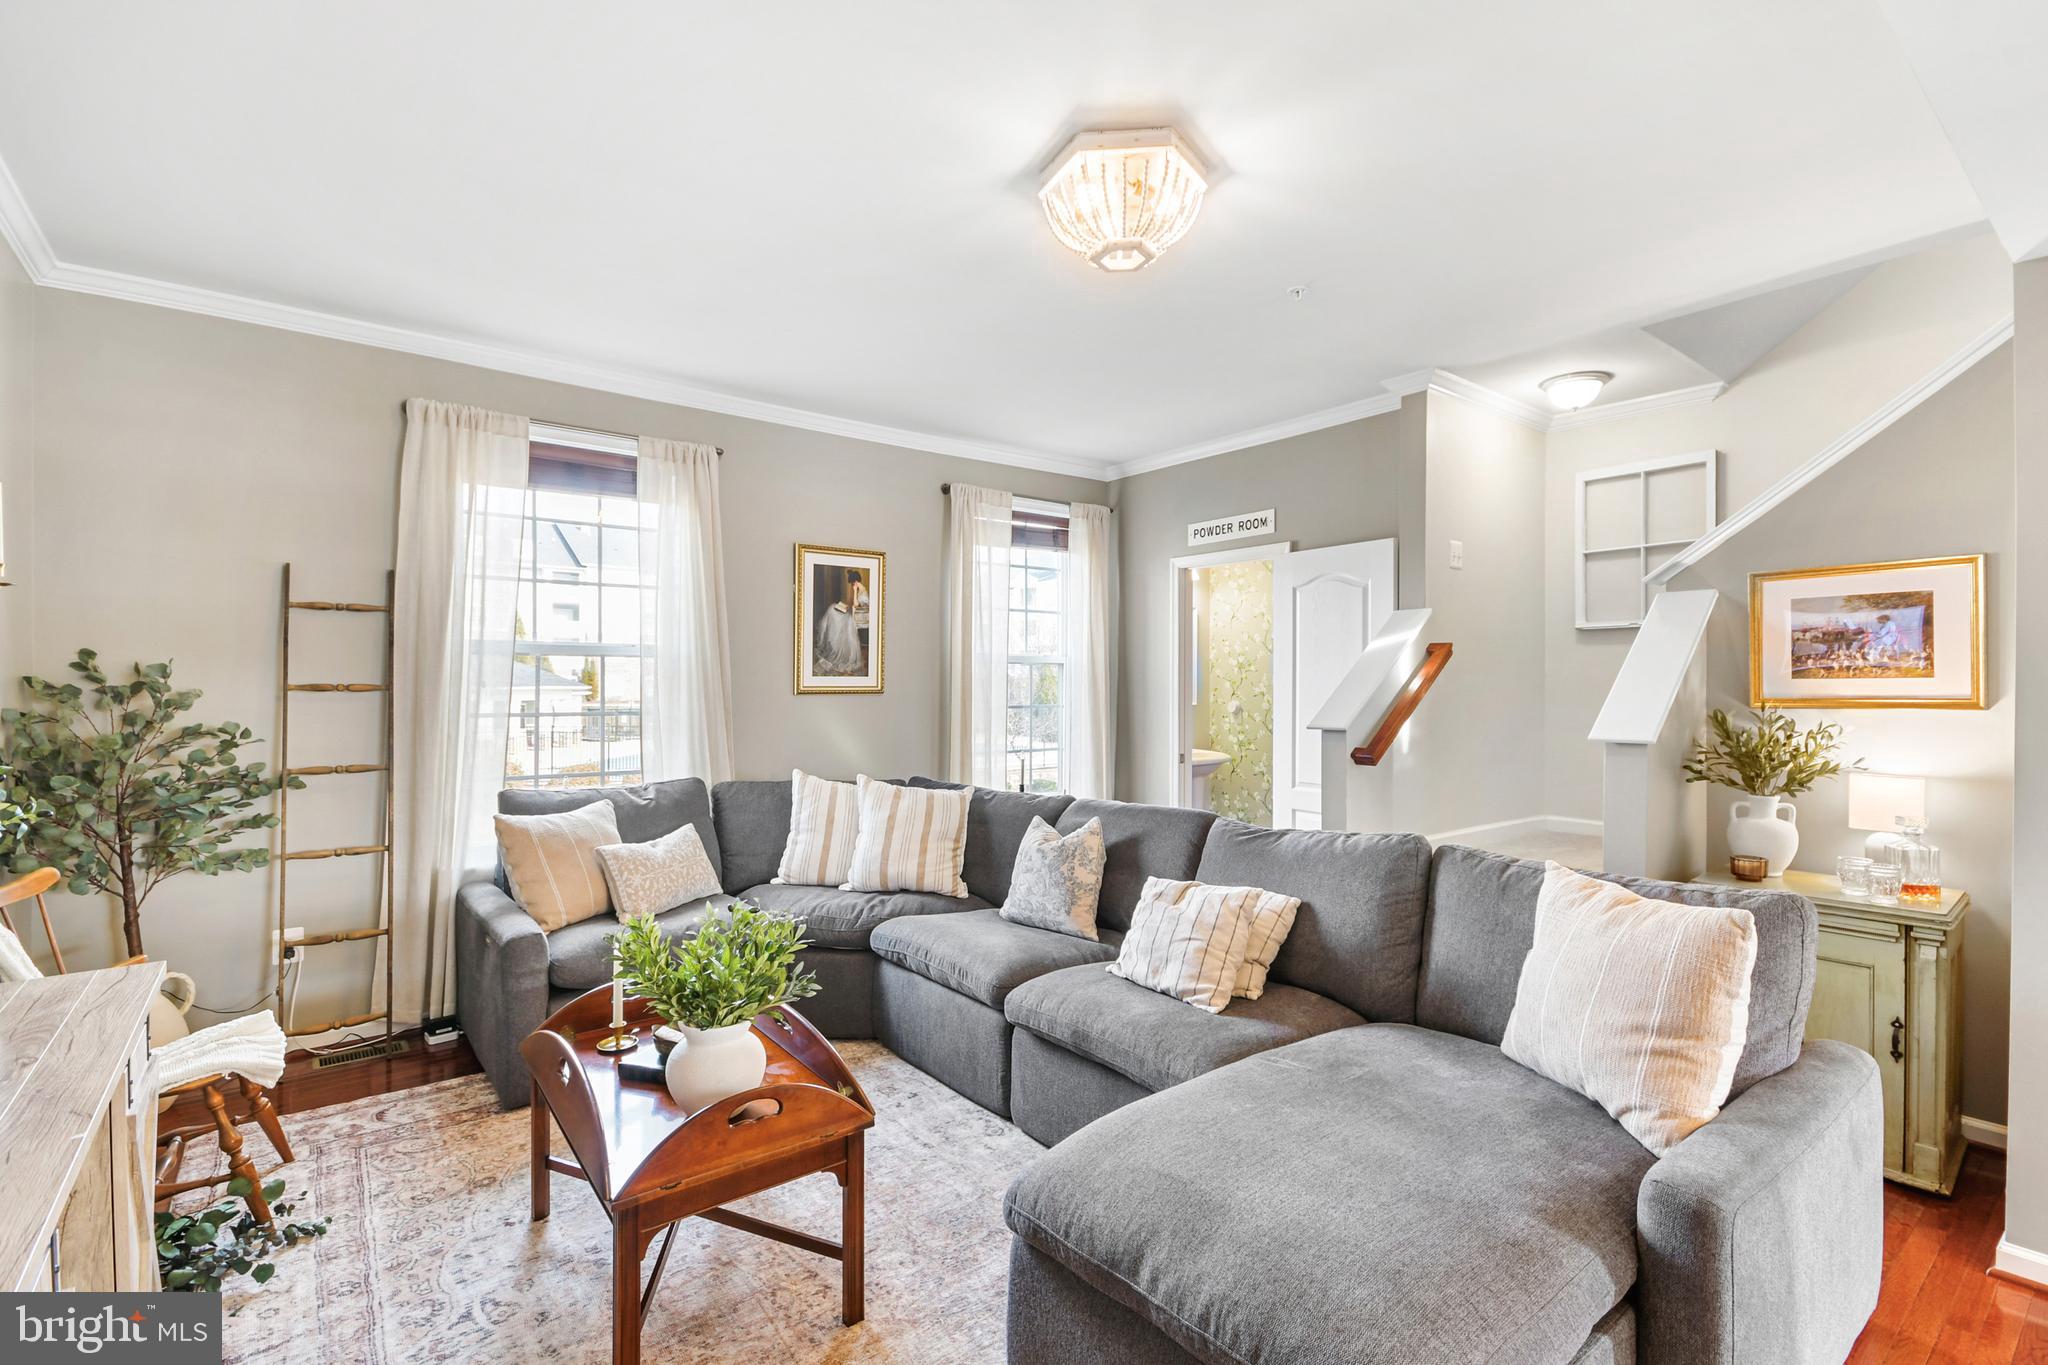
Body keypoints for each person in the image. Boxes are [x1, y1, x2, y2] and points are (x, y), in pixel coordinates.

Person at [815, 572, 866, 675]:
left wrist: (854, 591)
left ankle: (833, 644)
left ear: (855, 581)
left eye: (852, 583)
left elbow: (856, 605)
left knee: (832, 612)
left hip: (853, 617)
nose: (852, 585)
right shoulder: (859, 589)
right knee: (832, 608)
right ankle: (829, 640)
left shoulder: (862, 590)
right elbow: (852, 604)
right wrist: (845, 606)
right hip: (850, 613)